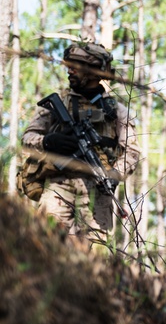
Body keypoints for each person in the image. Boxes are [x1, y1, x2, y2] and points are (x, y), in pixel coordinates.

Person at [19, 42, 140, 243]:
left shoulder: (117, 112)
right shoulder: (57, 104)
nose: (69, 70)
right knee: (45, 245)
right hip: (58, 185)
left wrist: (115, 174)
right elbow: (27, 139)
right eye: (69, 65)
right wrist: (48, 142)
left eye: (76, 66)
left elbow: (132, 151)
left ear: (93, 72)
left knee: (92, 257)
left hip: (97, 193)